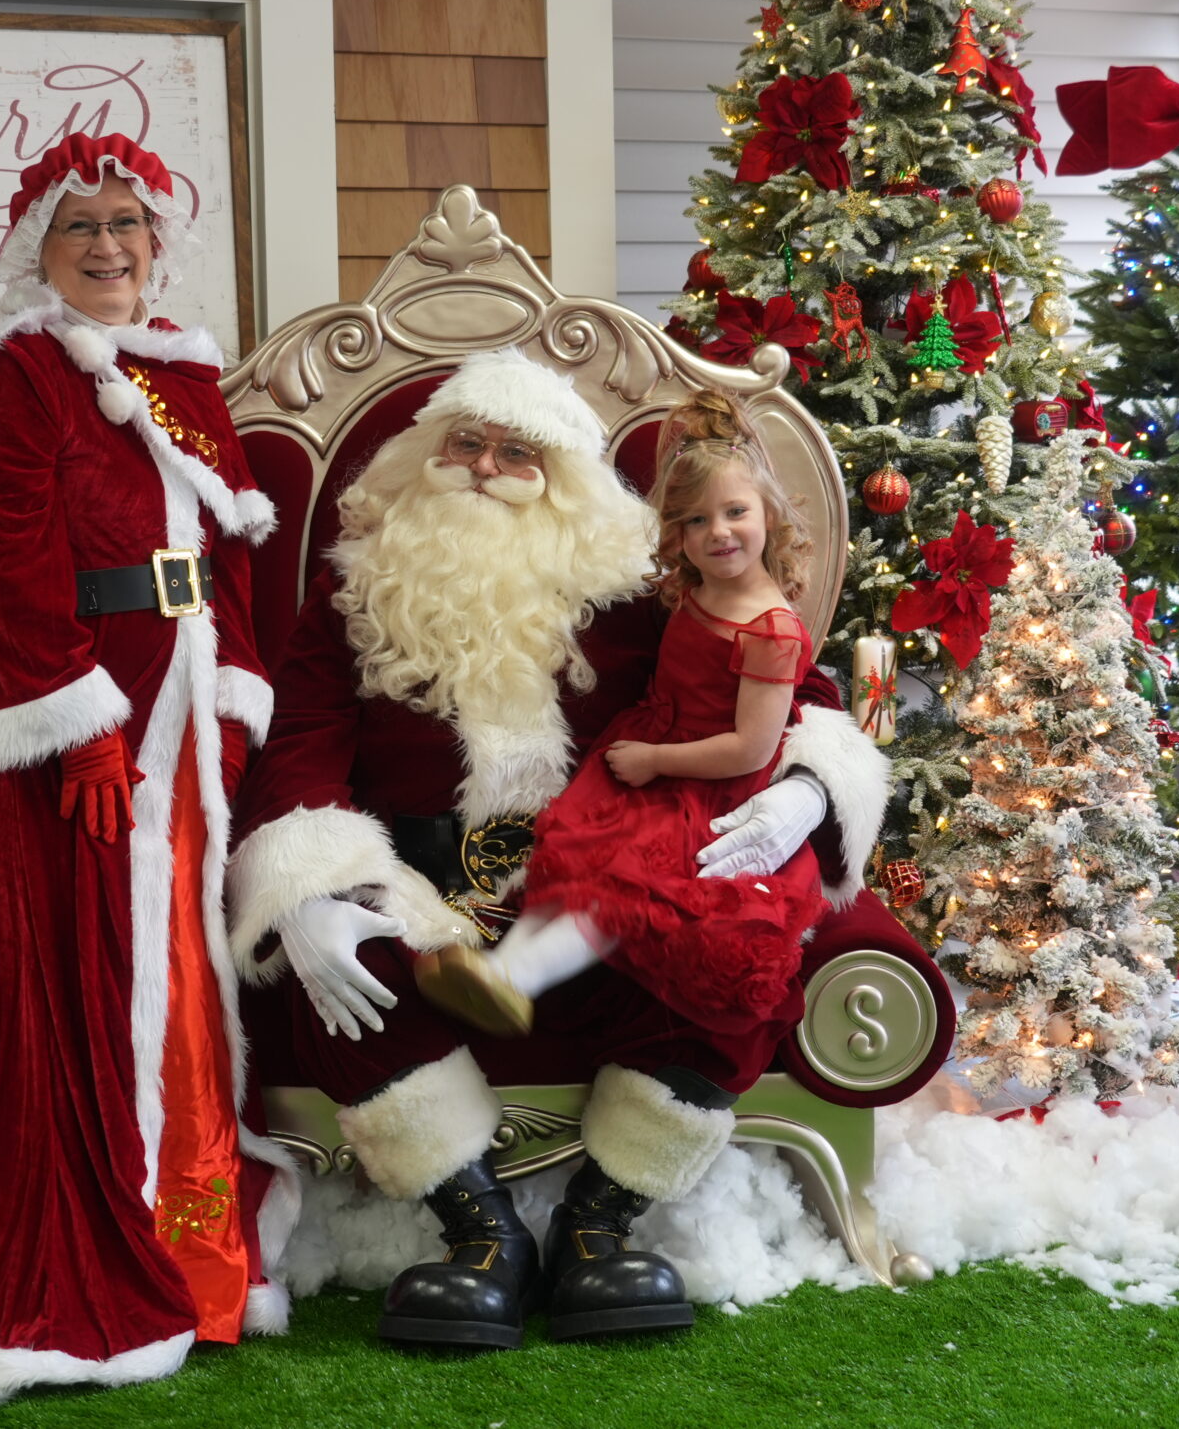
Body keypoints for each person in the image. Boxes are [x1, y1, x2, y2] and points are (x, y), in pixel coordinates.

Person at [230, 350, 888, 1350]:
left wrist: (807, 789)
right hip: (421, 889)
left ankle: (597, 1223)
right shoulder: (357, 586)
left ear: (565, 479)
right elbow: (300, 742)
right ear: (424, 452)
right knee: (345, 983)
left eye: (517, 453)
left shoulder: (636, 586)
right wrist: (309, 885)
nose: (484, 467)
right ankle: (482, 1232)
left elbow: (797, 693)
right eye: (466, 443)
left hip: (602, 877)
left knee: (729, 964)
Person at [0, 133, 295, 1400]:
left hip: (182, 720)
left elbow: (231, 542)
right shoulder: (13, 375)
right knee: (83, 972)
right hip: (70, 719)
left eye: (127, 223)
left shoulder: (182, 369)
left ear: (156, 240)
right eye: (82, 227)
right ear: (39, 249)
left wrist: (229, 699)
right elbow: (6, 565)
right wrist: (83, 724)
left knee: (176, 974)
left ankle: (194, 1248)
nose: (109, 246)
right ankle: (93, 1262)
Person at [417, 392, 823, 1040]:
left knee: (620, 885)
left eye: (736, 512)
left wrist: (657, 759)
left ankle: (520, 975)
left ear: (769, 513)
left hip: (701, 783)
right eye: (696, 520)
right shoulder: (699, 586)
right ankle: (500, 967)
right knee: (576, 861)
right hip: (653, 745)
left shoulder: (771, 629)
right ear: (677, 533)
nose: (718, 532)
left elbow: (750, 747)